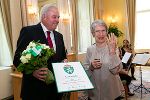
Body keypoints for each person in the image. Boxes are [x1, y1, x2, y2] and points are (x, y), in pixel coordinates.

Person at [13, 4, 67, 100]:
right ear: (44, 17)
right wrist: (32, 72)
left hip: (56, 92)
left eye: (58, 17)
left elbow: (63, 57)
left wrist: (64, 61)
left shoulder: (59, 36)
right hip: (35, 91)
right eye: (54, 17)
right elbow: (17, 59)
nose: (58, 20)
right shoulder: (29, 32)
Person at [84, 20, 123, 100]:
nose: (101, 34)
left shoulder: (113, 46)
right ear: (93, 34)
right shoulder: (90, 49)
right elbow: (85, 70)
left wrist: (112, 52)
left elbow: (116, 70)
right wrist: (91, 66)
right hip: (94, 93)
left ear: (106, 32)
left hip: (111, 92)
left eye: (103, 31)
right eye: (97, 31)